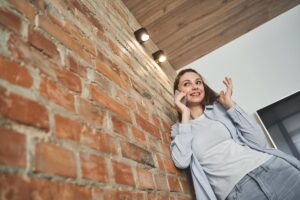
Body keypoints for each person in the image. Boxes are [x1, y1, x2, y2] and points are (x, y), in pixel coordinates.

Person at [170, 68, 300, 200]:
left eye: (198, 82)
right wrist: (185, 114)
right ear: (178, 93)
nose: (195, 87)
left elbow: (259, 141)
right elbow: (181, 161)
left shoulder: (219, 109)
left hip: (275, 169)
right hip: (239, 193)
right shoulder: (180, 129)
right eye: (187, 84)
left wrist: (230, 105)